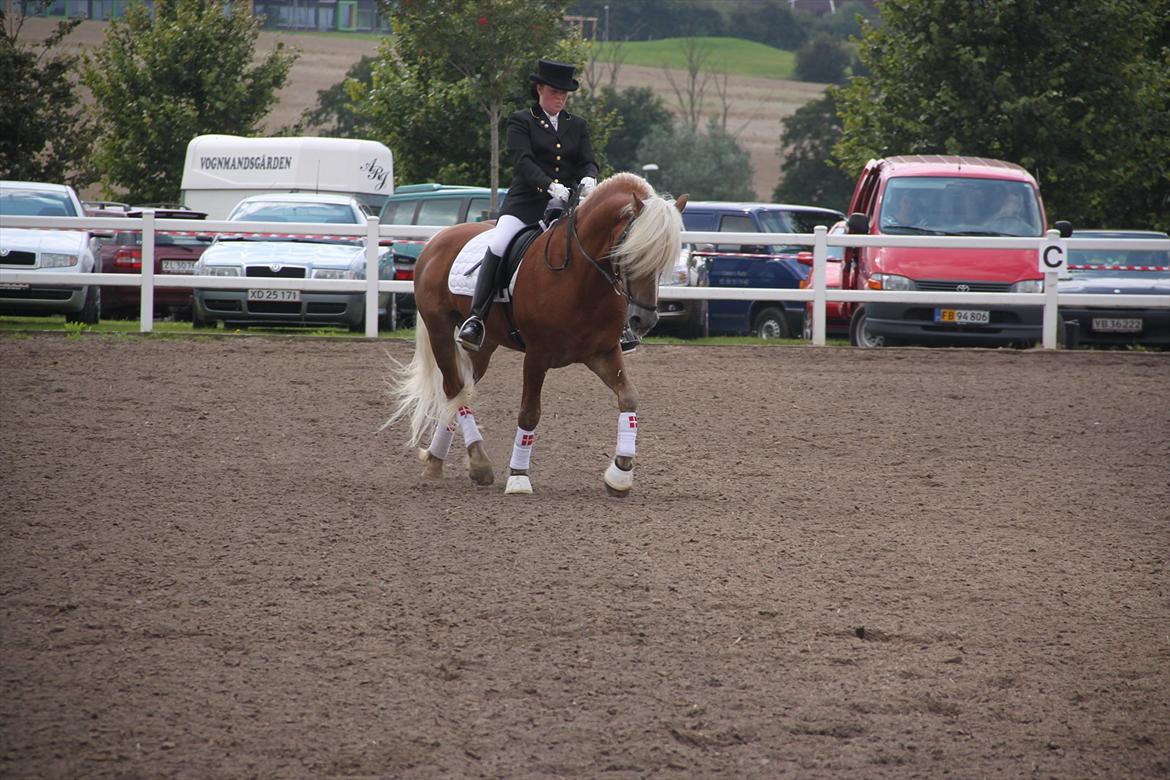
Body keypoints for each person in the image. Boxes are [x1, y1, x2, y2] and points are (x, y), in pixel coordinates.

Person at [458, 59, 636, 352]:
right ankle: (476, 319)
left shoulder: (576, 125)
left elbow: (588, 160)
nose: (561, 98)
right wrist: (549, 186)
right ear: (539, 88)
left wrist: (590, 178)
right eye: (555, 91)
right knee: (500, 244)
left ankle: (620, 325)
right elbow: (523, 161)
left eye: (565, 93)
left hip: (568, 209)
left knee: (602, 251)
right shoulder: (520, 120)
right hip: (525, 205)